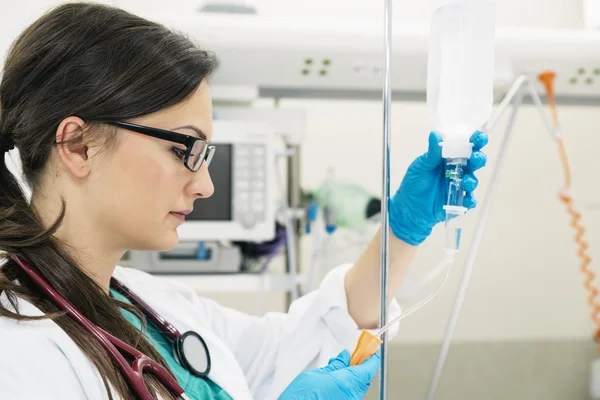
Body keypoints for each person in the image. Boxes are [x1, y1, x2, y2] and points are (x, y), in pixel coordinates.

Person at [0, 3, 488, 400]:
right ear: (78, 146)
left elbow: (293, 351)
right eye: (184, 149)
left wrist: (402, 230)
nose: (204, 185)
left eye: (205, 153)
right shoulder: (19, 346)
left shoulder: (150, 306)